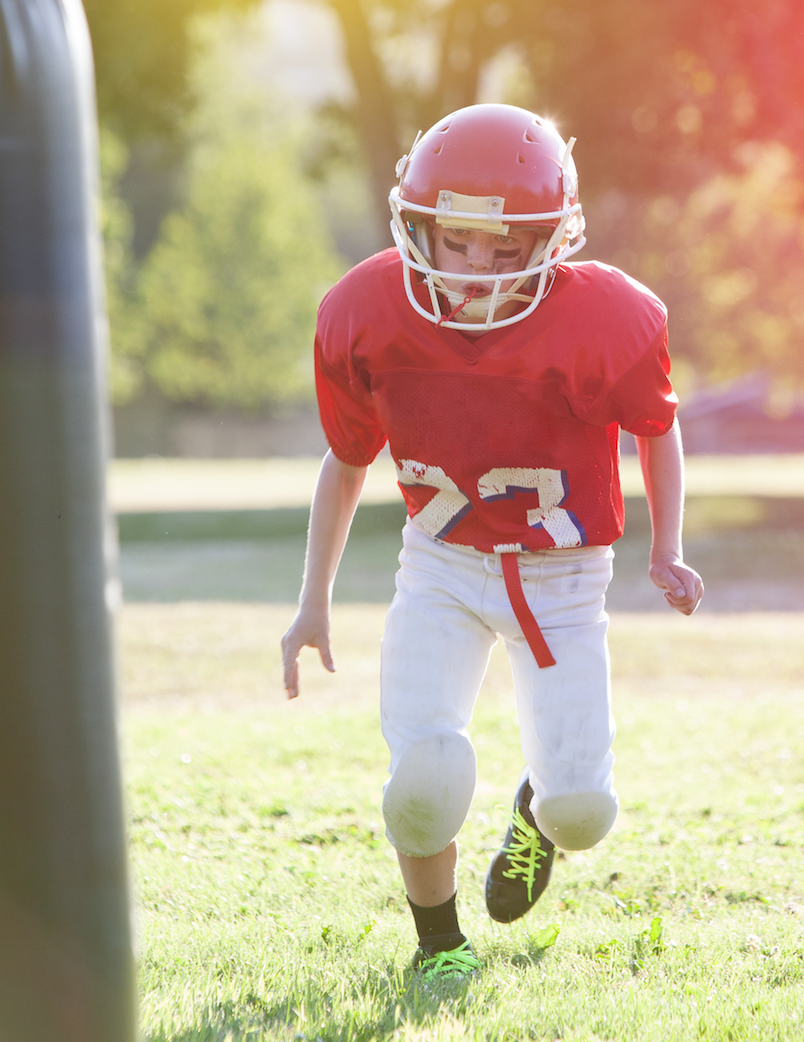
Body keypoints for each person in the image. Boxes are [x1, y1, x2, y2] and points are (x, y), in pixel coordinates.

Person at [280, 102, 704, 977]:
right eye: (460, 242)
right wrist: (311, 600)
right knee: (425, 771)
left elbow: (655, 426)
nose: (479, 268)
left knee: (582, 810)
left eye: (507, 249)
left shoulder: (605, 317)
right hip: (439, 565)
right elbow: (347, 458)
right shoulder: (366, 311)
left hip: (564, 575)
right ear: (419, 227)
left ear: (551, 240)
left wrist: (666, 546)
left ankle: (535, 809)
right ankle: (438, 947)